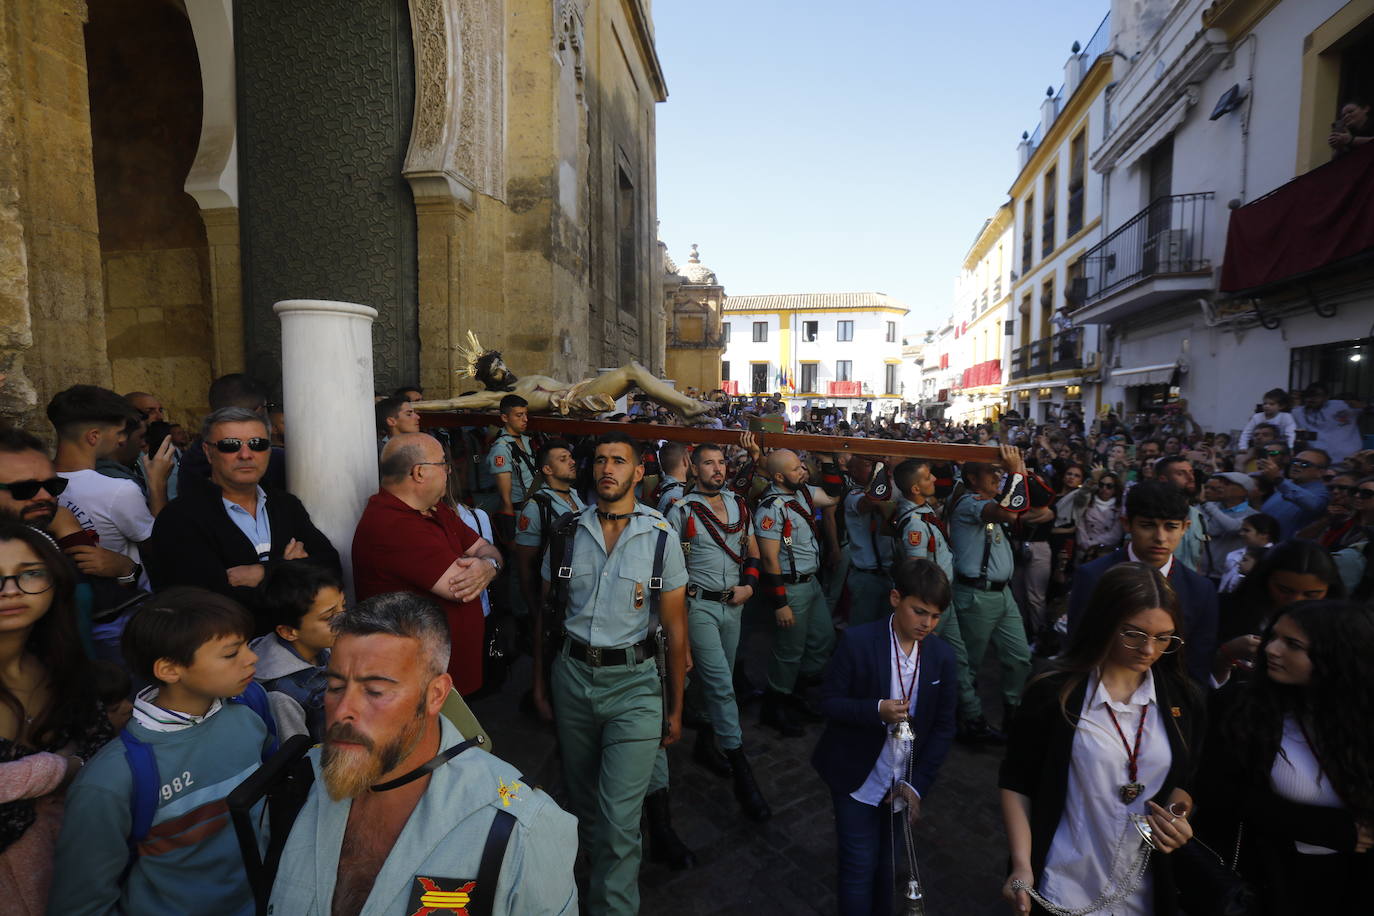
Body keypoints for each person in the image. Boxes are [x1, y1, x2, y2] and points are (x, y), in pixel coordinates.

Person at [267, 590, 576, 914]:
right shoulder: (297, 785)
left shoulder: (521, 829)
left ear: (436, 694)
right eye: (335, 686)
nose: (344, 710)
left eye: (375, 690)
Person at [537, 432, 689, 915]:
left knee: (619, 820)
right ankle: (581, 885)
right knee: (585, 807)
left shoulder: (662, 537)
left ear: (638, 472)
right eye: (600, 460)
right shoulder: (565, 533)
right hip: (572, 680)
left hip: (637, 688)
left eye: (619, 461)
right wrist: (542, 684)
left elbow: (675, 631)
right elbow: (546, 616)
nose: (608, 469)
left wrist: (676, 707)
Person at [49, 587, 271, 916]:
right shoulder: (111, 779)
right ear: (169, 670)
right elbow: (81, 903)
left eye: (247, 645)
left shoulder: (249, 713)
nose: (252, 657)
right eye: (230, 653)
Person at [1000, 563, 1205, 916]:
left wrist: (1177, 816)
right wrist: (1021, 866)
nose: (1149, 650)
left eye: (1164, 638)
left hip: (1144, 892)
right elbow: (1017, 781)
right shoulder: (1054, 692)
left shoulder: (1184, 699)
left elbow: (1186, 781)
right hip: (1063, 885)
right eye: (1134, 634)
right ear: (1104, 624)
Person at [1198, 601, 1374, 914]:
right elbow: (1217, 792)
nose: (1271, 650)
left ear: (1336, 655)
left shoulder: (1360, 720)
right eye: (1273, 636)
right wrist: (1325, 829)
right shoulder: (1239, 708)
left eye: (1292, 645)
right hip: (1265, 884)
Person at [812, 558, 959, 916]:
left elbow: (943, 727)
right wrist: (875, 710)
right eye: (919, 612)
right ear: (896, 598)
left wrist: (918, 784)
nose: (926, 624)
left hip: (901, 784)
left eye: (936, 617)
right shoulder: (858, 641)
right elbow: (827, 703)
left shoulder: (941, 657)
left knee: (887, 865)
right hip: (857, 778)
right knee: (858, 868)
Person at [0, 524, 113, 915]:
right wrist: (57, 769)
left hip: (74, 879)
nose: (11, 590)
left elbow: (103, 757)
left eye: (30, 572)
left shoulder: (63, 665)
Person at [149, 407, 340, 629]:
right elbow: (209, 601)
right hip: (229, 652)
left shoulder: (286, 505)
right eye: (230, 445)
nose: (246, 454)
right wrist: (296, 573)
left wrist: (266, 571)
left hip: (297, 650)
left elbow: (331, 566)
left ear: (269, 450)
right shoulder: (180, 518)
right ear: (209, 452)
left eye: (257, 444)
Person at [665, 441, 770, 822]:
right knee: (723, 686)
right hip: (698, 607)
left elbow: (754, 551)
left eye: (721, 463)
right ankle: (744, 775)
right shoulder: (679, 510)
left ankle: (704, 743)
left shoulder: (739, 505)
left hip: (734, 605)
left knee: (715, 680)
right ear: (693, 468)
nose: (717, 469)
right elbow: (667, 571)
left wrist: (751, 585)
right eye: (708, 463)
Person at [351, 433, 502, 697]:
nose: (448, 471)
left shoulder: (434, 509)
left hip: (443, 678)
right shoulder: (393, 525)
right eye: (443, 464)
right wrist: (488, 566)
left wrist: (488, 565)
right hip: (416, 684)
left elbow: (484, 548)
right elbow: (461, 586)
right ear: (419, 472)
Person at [1068, 481, 1218, 684]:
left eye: (1171, 527)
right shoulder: (1093, 577)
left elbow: (1197, 663)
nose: (1160, 538)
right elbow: (1080, 649)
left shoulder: (1200, 590)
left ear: (1185, 527)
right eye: (1148, 526)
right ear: (1127, 524)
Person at [947, 445, 1049, 744]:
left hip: (1002, 596)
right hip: (977, 595)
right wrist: (1015, 472)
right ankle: (966, 719)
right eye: (991, 472)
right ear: (972, 479)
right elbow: (1007, 511)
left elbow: (1042, 509)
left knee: (1019, 657)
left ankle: (1012, 713)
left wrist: (1022, 474)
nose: (997, 476)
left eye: (999, 472)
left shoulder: (989, 500)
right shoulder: (969, 504)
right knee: (969, 664)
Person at [49, 385, 175, 588]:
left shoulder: (33, 485)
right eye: (119, 433)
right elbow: (161, 546)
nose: (123, 440)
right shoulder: (119, 490)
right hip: (126, 603)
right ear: (94, 436)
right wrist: (158, 484)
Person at [754, 448, 843, 737]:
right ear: (779, 476)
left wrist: (829, 461)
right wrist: (780, 603)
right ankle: (774, 705)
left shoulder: (803, 493)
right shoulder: (771, 507)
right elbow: (769, 558)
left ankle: (796, 693)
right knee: (788, 651)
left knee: (823, 638)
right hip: (791, 589)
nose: (802, 470)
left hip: (812, 583)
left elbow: (832, 495)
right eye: (795, 469)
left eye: (801, 465)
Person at [250, 561, 343, 741]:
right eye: (329, 617)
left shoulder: (328, 646)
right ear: (289, 632)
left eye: (343, 606)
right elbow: (297, 757)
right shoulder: (280, 695)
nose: (344, 619)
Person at [842, 455, 896, 627]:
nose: (873, 467)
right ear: (854, 472)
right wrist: (881, 470)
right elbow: (870, 503)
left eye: (874, 465)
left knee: (886, 630)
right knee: (862, 630)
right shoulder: (853, 496)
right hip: (866, 578)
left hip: (889, 574)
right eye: (868, 464)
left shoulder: (888, 490)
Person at [487, 394, 537, 543]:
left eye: (526, 415)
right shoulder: (501, 449)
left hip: (533, 508)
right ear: (504, 418)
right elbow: (505, 497)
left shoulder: (526, 440)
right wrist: (510, 529)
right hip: (519, 511)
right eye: (519, 415)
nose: (525, 420)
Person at [1194, 471, 1258, 583]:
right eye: (1221, 482)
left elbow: (1232, 527)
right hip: (1199, 572)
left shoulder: (1254, 516)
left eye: (1227, 484)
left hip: (1227, 578)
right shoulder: (1205, 507)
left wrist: (1206, 505)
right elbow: (1207, 529)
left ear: (1244, 491)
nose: (1220, 486)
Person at [1257, 446, 1331, 540]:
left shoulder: (1322, 492)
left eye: (1305, 464)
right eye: (1295, 461)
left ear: (1321, 472)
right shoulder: (1286, 484)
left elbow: (1314, 504)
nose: (1297, 465)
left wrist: (1278, 479)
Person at [1291, 383, 1361, 465]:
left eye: (1317, 395)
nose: (1312, 399)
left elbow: (1365, 408)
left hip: (1349, 458)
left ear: (1326, 397)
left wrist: (1360, 405)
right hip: (1319, 459)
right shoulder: (1298, 413)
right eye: (1309, 395)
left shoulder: (1341, 406)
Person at [1217, 512, 1277, 595]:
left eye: (1247, 530)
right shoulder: (1234, 554)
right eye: (1242, 530)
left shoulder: (1275, 558)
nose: (1241, 533)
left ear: (1264, 534)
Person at [1076, 471, 1124, 564]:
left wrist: (1093, 545)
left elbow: (1115, 534)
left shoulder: (1119, 507)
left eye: (1109, 486)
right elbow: (1080, 524)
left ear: (1115, 488)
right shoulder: (1088, 501)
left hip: (1106, 552)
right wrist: (1085, 544)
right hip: (1084, 550)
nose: (1104, 489)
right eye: (1101, 485)